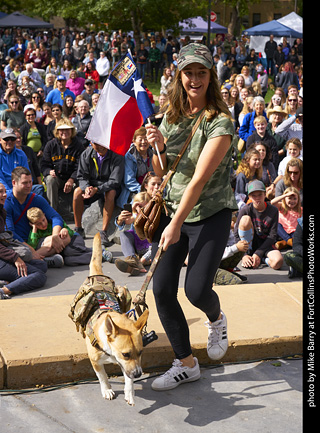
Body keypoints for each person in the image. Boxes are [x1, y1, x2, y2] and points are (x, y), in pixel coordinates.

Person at [145, 42, 237, 390]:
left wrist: (176, 223)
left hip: (209, 213)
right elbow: (162, 168)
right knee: (163, 289)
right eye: (189, 72)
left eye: (201, 72)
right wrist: (155, 146)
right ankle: (185, 363)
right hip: (174, 212)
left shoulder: (221, 122)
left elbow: (199, 179)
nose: (195, 79)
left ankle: (216, 318)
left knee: (196, 290)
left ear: (210, 76)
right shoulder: (171, 115)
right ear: (180, 75)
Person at [0, 183, 47, 300]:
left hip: (3, 256)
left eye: (5, 191)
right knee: (38, 276)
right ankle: (4, 290)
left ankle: (5, 280)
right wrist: (15, 258)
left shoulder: (1, 211)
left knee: (42, 265)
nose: (5, 194)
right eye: (0, 192)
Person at [73, 142, 124, 246]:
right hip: (92, 186)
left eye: (102, 143)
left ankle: (103, 231)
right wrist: (86, 188)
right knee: (77, 192)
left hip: (108, 187)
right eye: (96, 143)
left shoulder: (116, 155)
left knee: (111, 193)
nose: (100, 146)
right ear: (91, 143)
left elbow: (115, 181)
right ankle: (78, 228)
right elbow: (81, 176)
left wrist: (98, 189)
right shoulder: (86, 154)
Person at [234, 180, 283, 270]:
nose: (257, 198)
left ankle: (262, 259)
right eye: (254, 195)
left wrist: (259, 253)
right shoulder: (246, 209)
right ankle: (248, 254)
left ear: (265, 194)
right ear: (249, 197)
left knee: (278, 262)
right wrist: (243, 255)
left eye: (260, 194)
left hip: (265, 244)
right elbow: (236, 233)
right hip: (249, 244)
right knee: (245, 219)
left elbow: (272, 236)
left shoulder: (273, 210)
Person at [41, 118, 85, 210]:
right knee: (50, 180)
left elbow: (80, 167)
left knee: (82, 183)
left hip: (73, 179)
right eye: (61, 130)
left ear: (72, 130)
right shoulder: (51, 145)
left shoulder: (78, 146)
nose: (64, 132)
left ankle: (77, 213)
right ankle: (52, 212)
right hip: (56, 178)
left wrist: (72, 179)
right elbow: (44, 164)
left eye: (67, 129)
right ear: (57, 131)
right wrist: (49, 171)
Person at [26, 206, 92, 267]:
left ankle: (92, 250)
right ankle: (95, 255)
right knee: (69, 261)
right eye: (38, 224)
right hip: (63, 248)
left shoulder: (53, 223)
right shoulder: (35, 231)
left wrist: (65, 230)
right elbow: (32, 246)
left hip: (74, 239)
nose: (43, 224)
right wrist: (34, 229)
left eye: (43, 220)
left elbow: (69, 232)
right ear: (33, 224)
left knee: (68, 251)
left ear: (44, 215)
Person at [114, 191, 152, 275]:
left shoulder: (151, 214)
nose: (141, 209)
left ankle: (139, 263)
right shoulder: (135, 215)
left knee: (156, 245)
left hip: (149, 247)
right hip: (137, 247)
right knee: (124, 234)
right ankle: (131, 259)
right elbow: (126, 222)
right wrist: (133, 212)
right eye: (139, 206)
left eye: (144, 207)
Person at [116, 127, 154, 209]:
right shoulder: (129, 156)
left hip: (150, 187)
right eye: (140, 139)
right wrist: (145, 191)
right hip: (134, 190)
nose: (144, 142)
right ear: (134, 141)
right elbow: (129, 182)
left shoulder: (152, 153)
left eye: (146, 139)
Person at [0, 128, 30, 193]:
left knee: (38, 189)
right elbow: (0, 179)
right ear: (0, 140)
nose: (10, 141)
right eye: (6, 139)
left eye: (12, 139)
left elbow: (27, 174)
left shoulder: (21, 154)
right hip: (3, 191)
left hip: (20, 188)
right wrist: (10, 192)